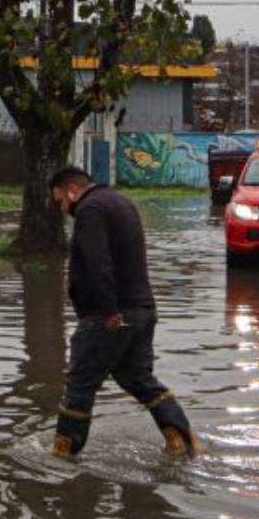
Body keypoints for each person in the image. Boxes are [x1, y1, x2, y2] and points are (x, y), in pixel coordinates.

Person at [48, 166, 200, 458]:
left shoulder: (90, 210)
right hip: (142, 311)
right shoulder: (121, 202)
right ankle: (183, 441)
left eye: (61, 202)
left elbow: (98, 263)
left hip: (108, 316)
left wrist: (107, 311)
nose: (63, 209)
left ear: (72, 191)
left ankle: (63, 455)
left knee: (80, 382)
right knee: (138, 379)